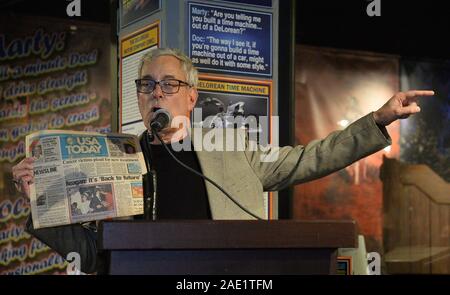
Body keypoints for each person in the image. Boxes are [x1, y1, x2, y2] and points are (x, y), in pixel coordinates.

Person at [11, 48, 434, 273]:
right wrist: (39, 198)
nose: (156, 92)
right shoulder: (113, 157)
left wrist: (377, 120)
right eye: (147, 84)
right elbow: (88, 254)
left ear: (191, 96)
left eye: (169, 83)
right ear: (138, 95)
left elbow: (310, 159)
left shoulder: (234, 150)